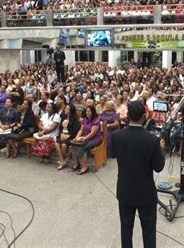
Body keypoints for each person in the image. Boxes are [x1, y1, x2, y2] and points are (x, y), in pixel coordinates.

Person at [111, 100, 165, 248]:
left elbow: (113, 153)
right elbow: (158, 167)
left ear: (128, 115)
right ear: (144, 116)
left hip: (125, 190)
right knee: (148, 232)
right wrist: (161, 150)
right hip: (146, 193)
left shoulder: (117, 136)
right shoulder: (152, 140)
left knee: (126, 230)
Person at [69, 105, 102, 175]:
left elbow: (92, 134)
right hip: (85, 137)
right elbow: (81, 130)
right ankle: (77, 163)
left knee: (84, 147)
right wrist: (76, 138)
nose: (87, 113)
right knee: (73, 144)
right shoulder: (85, 119)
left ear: (92, 112)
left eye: (89, 111)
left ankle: (85, 167)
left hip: (96, 139)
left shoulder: (96, 121)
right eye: (86, 111)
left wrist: (84, 138)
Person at [54, 103, 79, 170]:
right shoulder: (63, 117)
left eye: (67, 108)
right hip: (62, 134)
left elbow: (75, 130)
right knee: (56, 143)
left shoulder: (74, 119)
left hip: (70, 136)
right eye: (65, 108)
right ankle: (62, 161)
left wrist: (68, 136)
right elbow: (60, 127)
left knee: (64, 145)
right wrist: (61, 134)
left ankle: (62, 161)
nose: (65, 109)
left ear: (71, 110)